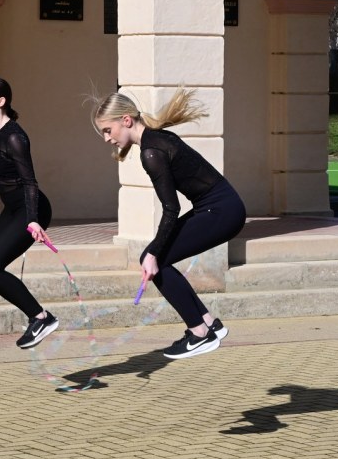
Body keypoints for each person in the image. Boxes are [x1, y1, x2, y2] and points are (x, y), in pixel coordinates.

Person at [92, 89, 246, 359]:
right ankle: (209, 324)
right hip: (221, 208)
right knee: (155, 257)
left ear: (126, 120)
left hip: (221, 212)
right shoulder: (157, 139)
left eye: (108, 130)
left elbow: (171, 208)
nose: (107, 138)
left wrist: (153, 252)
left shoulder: (151, 152)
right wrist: (153, 251)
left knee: (155, 260)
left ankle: (200, 333)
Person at [0, 77, 59, 349]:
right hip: (13, 209)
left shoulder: (14, 137)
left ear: (1, 101)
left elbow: (30, 182)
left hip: (30, 209)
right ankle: (40, 318)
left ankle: (41, 318)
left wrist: (33, 220)